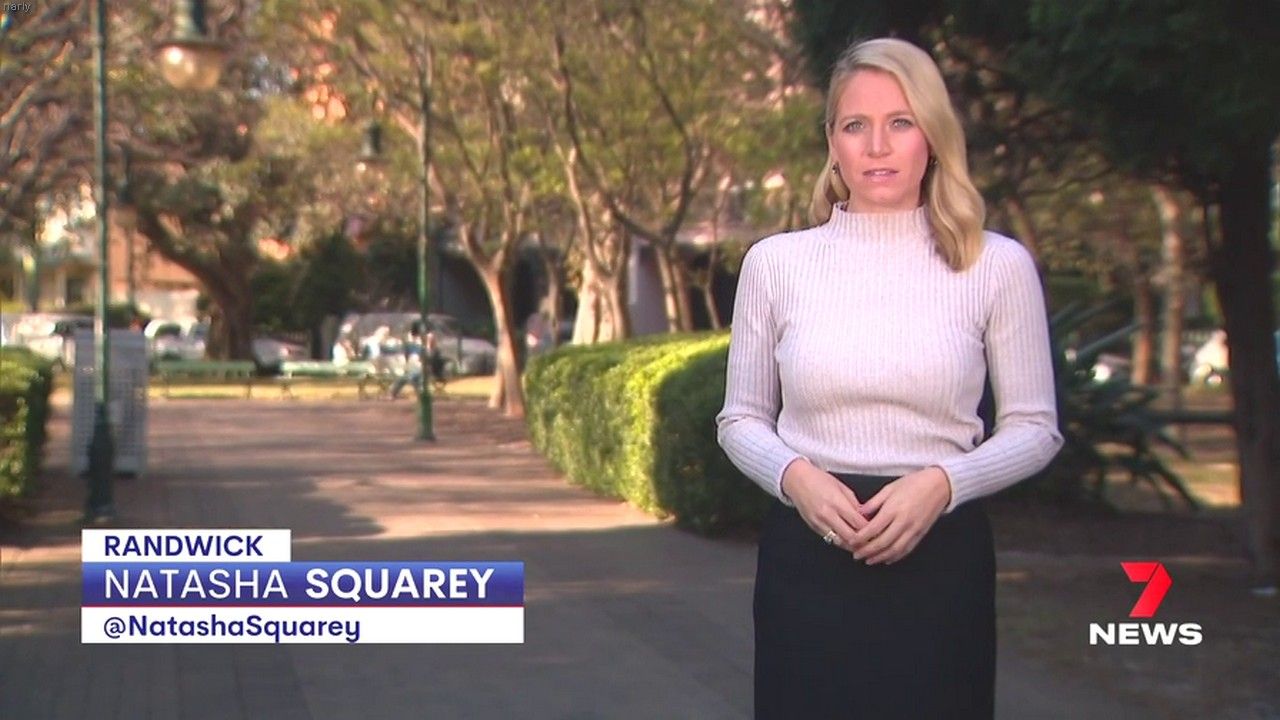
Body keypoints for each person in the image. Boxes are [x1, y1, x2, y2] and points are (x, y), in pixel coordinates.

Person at [715, 38, 1063, 719]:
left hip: (941, 557)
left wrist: (944, 484)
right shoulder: (775, 264)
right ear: (832, 143)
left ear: (932, 136)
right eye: (856, 125)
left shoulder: (994, 265)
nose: (877, 146)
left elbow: (1035, 427)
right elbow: (739, 419)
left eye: (900, 122)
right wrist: (796, 478)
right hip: (808, 555)